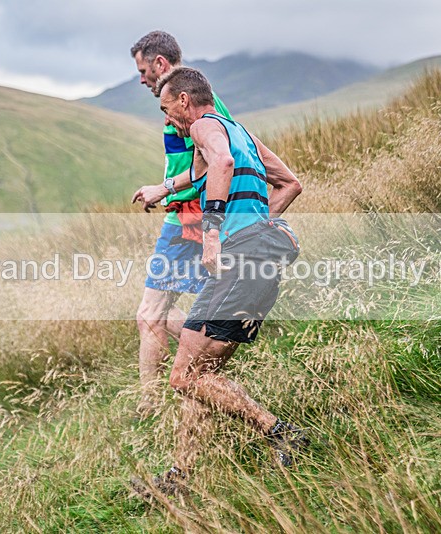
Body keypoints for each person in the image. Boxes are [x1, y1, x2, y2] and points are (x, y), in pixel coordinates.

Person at [132, 67, 306, 498]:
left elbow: (220, 163)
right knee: (199, 375)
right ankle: (181, 477)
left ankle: (279, 431)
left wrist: (215, 235)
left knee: (185, 378)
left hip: (240, 255)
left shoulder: (206, 126)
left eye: (167, 109)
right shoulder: (236, 131)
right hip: (264, 252)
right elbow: (289, 183)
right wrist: (163, 189)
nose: (168, 118)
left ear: (185, 101)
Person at [129, 31, 233, 418]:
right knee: (154, 314)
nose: (141, 79)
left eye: (143, 70)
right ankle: (167, 390)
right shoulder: (189, 99)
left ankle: (151, 404)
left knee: (150, 314)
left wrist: (166, 188)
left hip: (192, 218)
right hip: (185, 215)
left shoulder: (191, 106)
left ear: (159, 64)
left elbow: (214, 160)